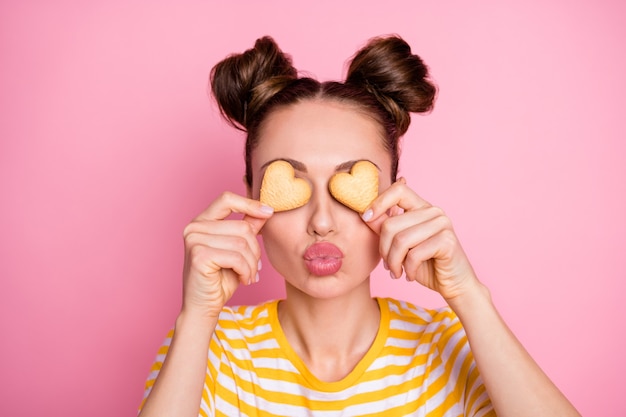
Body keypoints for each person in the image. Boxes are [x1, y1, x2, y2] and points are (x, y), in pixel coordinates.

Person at [138, 35, 580, 417]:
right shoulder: (208, 350)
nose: (323, 222)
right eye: (289, 183)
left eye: (350, 186)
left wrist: (470, 298)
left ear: (395, 195)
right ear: (251, 196)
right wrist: (196, 318)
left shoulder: (454, 346)